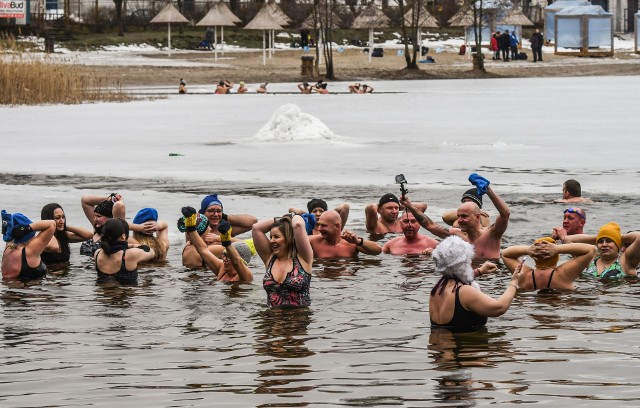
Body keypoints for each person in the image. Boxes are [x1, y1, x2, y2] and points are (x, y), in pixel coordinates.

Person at [401, 173, 510, 262]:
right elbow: (430, 225)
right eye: (458, 216)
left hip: (490, 280)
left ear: (477, 217)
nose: (460, 220)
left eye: (464, 216)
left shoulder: (492, 234)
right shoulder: (457, 235)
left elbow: (505, 214)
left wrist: (488, 190)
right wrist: (410, 206)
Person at [429, 236, 521, 331]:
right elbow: (500, 308)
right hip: (466, 343)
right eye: (468, 258)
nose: (471, 261)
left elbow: (457, 275)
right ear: (461, 264)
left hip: (441, 343)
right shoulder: (464, 292)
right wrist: (514, 281)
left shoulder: (437, 289)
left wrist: (479, 271)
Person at [252, 214, 313, 307]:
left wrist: (292, 216)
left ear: (288, 238)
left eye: (276, 237)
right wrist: (280, 220)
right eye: (271, 237)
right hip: (271, 319)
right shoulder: (269, 258)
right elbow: (256, 228)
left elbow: (298, 225)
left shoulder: (303, 258)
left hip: (298, 319)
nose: (272, 241)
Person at [181, 206, 253, 282]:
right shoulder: (222, 268)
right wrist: (191, 227)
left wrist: (226, 242)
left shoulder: (246, 275)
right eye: (224, 255)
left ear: (243, 261)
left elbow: (237, 263)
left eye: (229, 257)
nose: (224, 259)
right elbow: (203, 250)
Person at [502, 237, 595, 291]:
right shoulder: (563, 275)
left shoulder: (524, 275)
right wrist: (559, 249)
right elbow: (591, 249)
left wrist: (527, 250)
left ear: (534, 256)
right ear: (556, 256)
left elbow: (505, 254)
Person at [565, 222, 640, 278]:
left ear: (618, 245)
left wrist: (619, 237)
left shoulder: (626, 261)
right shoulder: (591, 258)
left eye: (609, 241)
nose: (604, 245)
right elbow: (568, 240)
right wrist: (598, 237)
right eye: (600, 242)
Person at [93, 218, 155, 285]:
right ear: (123, 236)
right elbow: (152, 252)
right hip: (125, 294)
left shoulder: (97, 253)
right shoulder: (130, 254)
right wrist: (132, 245)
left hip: (102, 294)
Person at [2, 210, 55, 281]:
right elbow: (52, 224)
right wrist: (28, 228)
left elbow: (10, 235)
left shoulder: (8, 248)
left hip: (9, 289)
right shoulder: (30, 251)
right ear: (28, 234)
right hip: (27, 290)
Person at [310, 210, 381, 258]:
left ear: (336, 226)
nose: (319, 229)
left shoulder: (351, 242)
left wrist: (359, 242)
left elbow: (378, 250)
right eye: (319, 225)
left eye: (323, 225)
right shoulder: (313, 241)